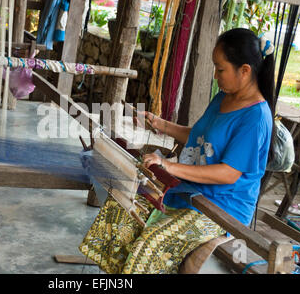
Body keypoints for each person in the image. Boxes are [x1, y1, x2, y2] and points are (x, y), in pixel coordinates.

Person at [79, 28, 275, 274]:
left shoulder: (256, 118)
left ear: (245, 71)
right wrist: (161, 125)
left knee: (151, 244)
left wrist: (169, 165)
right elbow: (202, 137)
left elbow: (228, 173)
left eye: (220, 69)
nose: (216, 75)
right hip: (188, 190)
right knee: (119, 214)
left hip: (222, 208)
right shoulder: (224, 97)